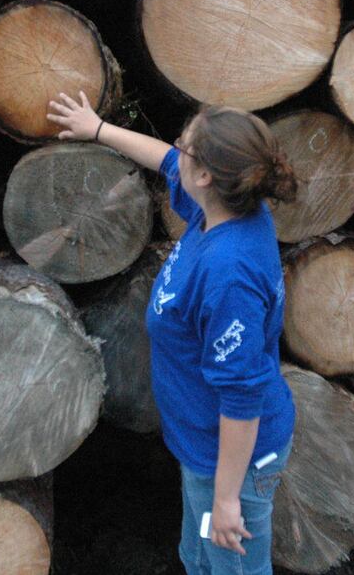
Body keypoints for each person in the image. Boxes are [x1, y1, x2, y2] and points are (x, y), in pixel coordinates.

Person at [47, 91, 298, 575]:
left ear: (205, 176)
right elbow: (164, 160)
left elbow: (243, 398)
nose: (175, 150)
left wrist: (228, 500)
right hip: (203, 450)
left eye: (185, 146)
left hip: (233, 461)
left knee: (234, 568)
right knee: (200, 555)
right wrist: (96, 129)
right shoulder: (222, 209)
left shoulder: (229, 275)